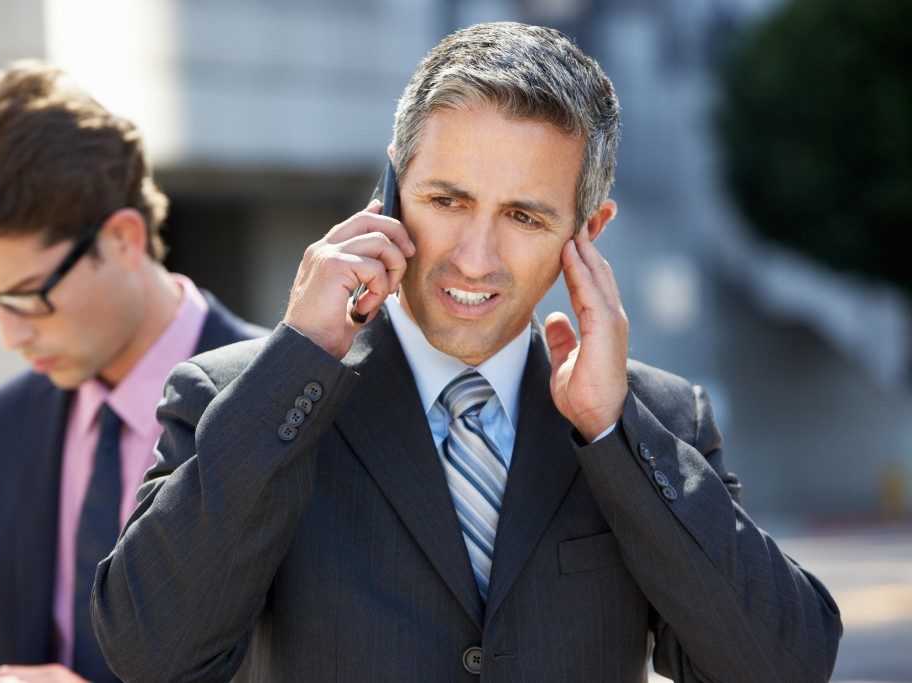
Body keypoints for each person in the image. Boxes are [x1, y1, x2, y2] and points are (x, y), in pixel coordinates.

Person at [93, 22, 842, 681]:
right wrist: (301, 358)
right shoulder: (237, 398)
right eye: (447, 200)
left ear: (590, 231)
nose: (474, 258)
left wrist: (613, 430)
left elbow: (781, 661)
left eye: (522, 215)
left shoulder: (657, 420)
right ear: (391, 187)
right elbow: (155, 654)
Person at [0, 60, 267, 683]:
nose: (10, 334)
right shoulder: (1, 424)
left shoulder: (282, 403)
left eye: (25, 296)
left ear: (124, 239)